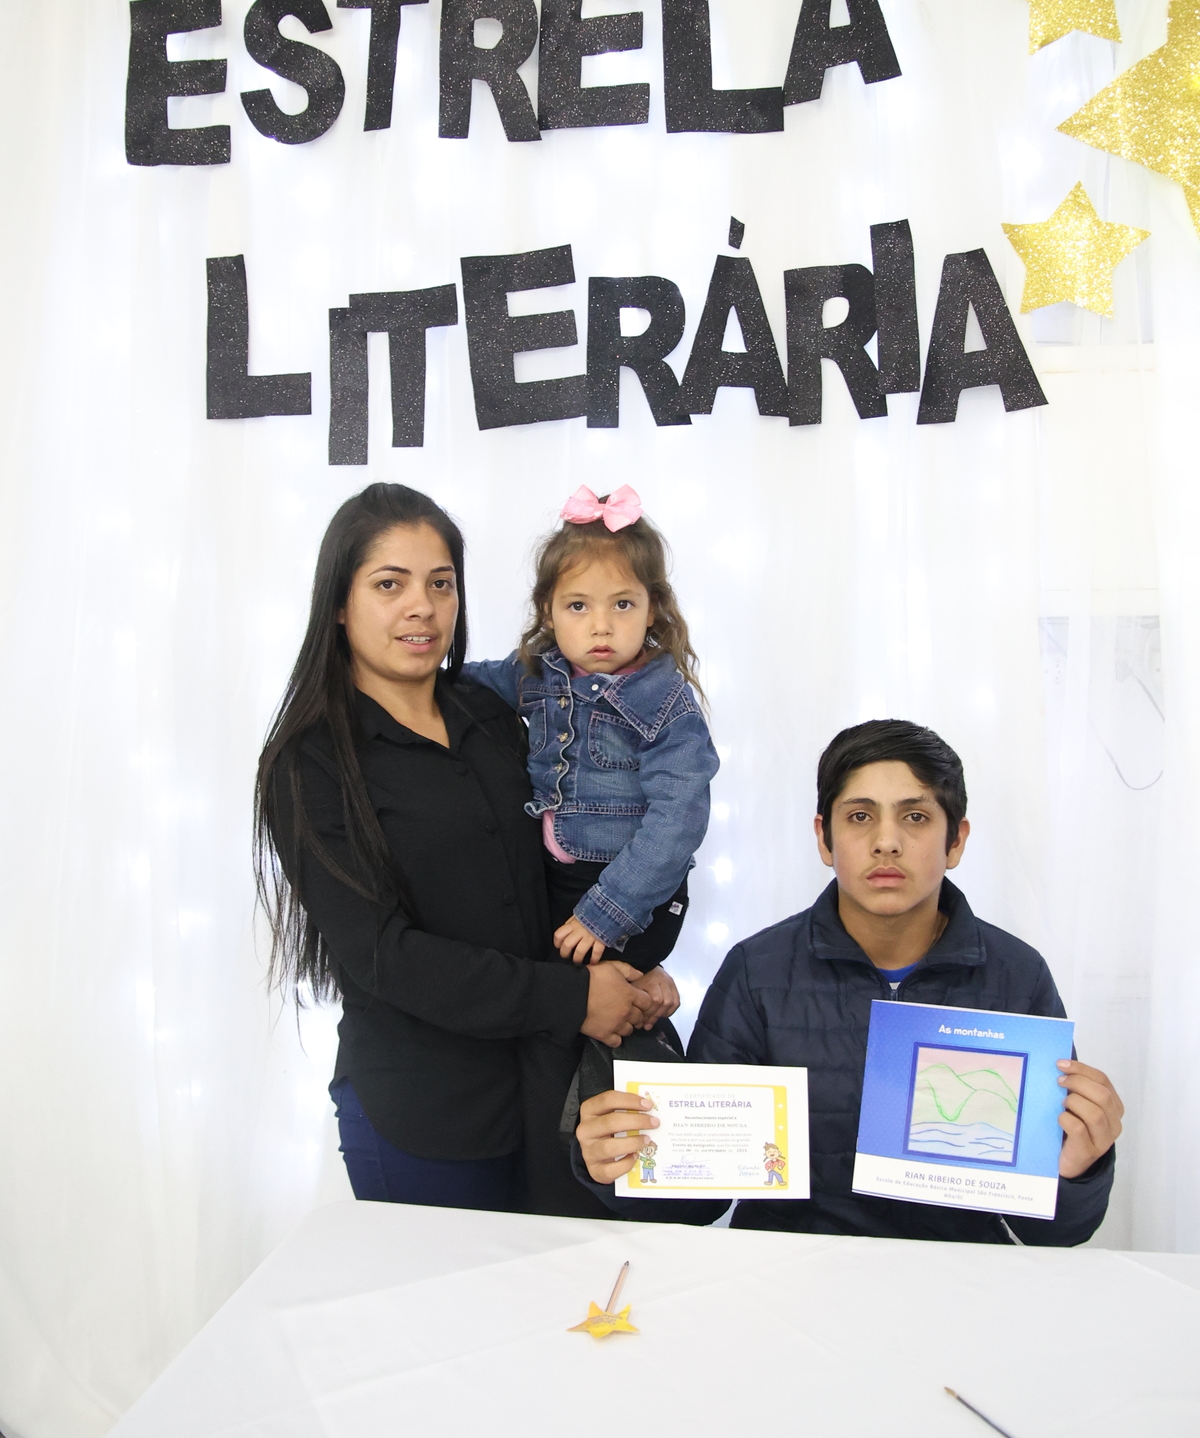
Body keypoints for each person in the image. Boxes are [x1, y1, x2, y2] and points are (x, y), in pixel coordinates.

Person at [255, 481, 663, 1218]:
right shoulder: (309, 761)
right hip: (424, 1115)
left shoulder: (494, 711)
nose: (423, 607)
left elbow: (563, 861)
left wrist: (629, 959)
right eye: (390, 585)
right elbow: (384, 956)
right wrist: (575, 998)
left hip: (547, 1091)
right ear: (340, 603)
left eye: (440, 584)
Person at [575, 719, 1123, 1245]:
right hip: (788, 1276)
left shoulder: (1017, 975)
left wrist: (1078, 1171)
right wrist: (619, 1164)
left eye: (915, 817)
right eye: (860, 816)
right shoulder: (757, 971)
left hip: (956, 1280)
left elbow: (1052, 1230)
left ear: (955, 841)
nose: (887, 842)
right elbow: (698, 1199)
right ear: (825, 838)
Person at [461, 483, 719, 975]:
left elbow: (679, 819)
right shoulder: (539, 671)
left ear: (652, 607)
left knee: (592, 997)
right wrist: (415, 674)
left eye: (622, 604)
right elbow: (471, 683)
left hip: (628, 891)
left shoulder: (664, 701)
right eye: (578, 606)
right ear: (548, 610)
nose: (601, 626)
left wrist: (608, 913)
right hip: (553, 879)